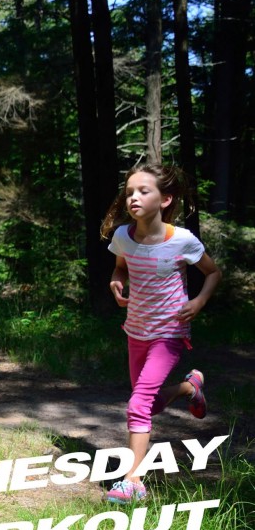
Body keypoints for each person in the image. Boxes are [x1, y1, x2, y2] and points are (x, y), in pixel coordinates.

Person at [100, 164, 221, 504]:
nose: (133, 197)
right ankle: (188, 386)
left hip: (169, 331)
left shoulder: (182, 240)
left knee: (137, 403)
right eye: (129, 192)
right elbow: (120, 267)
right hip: (135, 330)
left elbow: (212, 273)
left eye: (143, 191)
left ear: (165, 199)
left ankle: (133, 480)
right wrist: (116, 282)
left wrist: (198, 301)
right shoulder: (123, 236)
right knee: (147, 404)